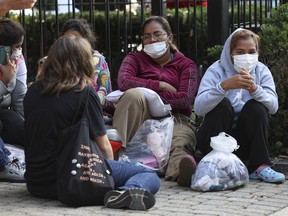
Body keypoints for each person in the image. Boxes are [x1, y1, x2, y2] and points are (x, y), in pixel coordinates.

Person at [24, 34, 160, 210]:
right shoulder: (84, 93)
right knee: (147, 174)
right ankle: (124, 192)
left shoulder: (32, 92)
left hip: (36, 183)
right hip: (71, 178)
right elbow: (103, 145)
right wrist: (106, 174)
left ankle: (119, 193)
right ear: (84, 61)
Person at [112, 16, 199, 186]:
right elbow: (124, 81)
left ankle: (181, 171)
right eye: (146, 36)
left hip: (176, 119)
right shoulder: (134, 59)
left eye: (157, 34)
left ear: (169, 37)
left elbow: (185, 98)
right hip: (141, 117)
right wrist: (160, 85)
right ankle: (114, 159)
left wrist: (155, 97)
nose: (152, 40)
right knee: (132, 95)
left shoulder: (186, 65)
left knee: (180, 141)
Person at [194, 28, 285, 184]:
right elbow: (199, 108)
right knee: (222, 105)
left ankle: (260, 166)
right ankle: (212, 164)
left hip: (244, 141)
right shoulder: (216, 70)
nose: (247, 57)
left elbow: (273, 106)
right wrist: (223, 87)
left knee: (256, 107)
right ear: (231, 53)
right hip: (215, 138)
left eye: (251, 52)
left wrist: (255, 89)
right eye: (240, 52)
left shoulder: (261, 71)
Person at [60, 18, 113, 113]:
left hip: (94, 111)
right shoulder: (59, 59)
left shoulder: (98, 60)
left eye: (76, 38)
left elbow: (105, 91)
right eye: (67, 39)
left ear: (86, 39)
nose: (72, 42)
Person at [0, 18, 27, 147]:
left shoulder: (17, 61)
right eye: (17, 46)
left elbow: (20, 99)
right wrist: (4, 81)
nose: (19, 51)